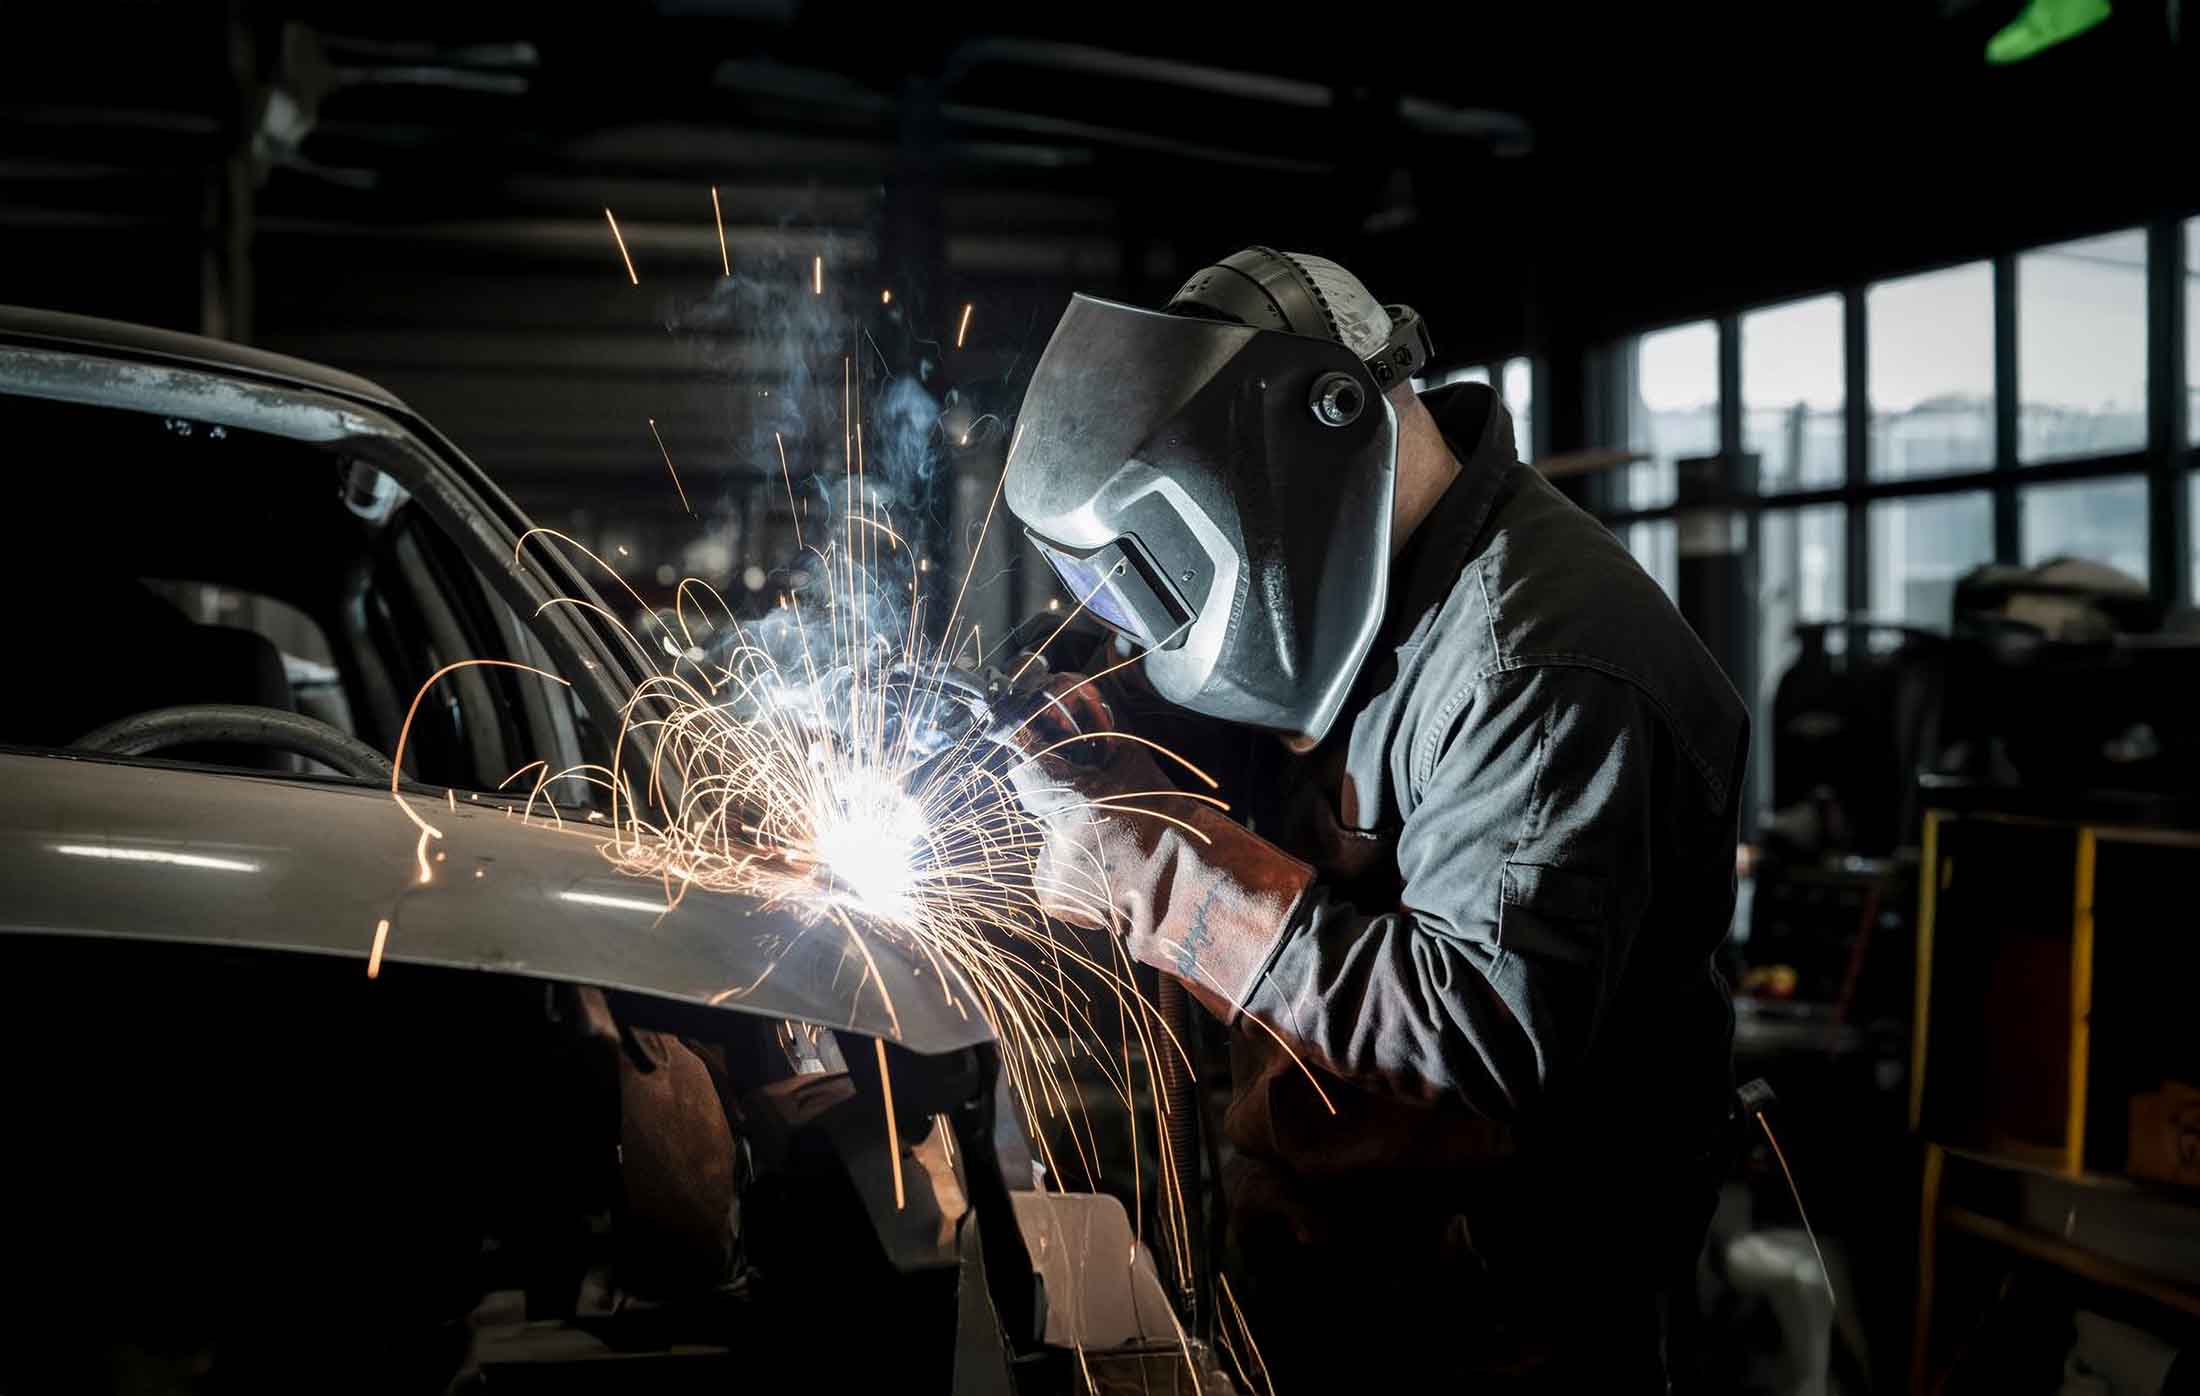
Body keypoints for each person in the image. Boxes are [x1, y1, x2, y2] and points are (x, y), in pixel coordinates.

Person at [1003, 248, 1747, 1390]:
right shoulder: (1348, 590)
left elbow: (1473, 1031)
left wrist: (1158, 877)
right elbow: (1239, 705)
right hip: (1330, 1280)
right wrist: (1103, 716)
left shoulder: (1546, 666)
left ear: (1306, 452)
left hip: (1508, 1330)